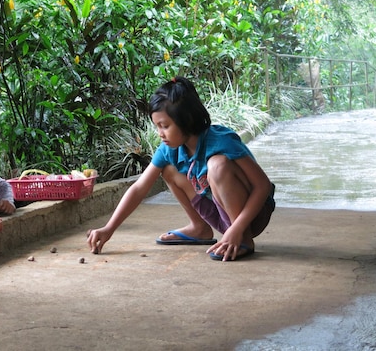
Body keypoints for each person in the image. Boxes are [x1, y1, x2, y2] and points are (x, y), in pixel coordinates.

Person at [87, 76, 275, 261]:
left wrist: (236, 229)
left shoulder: (222, 141)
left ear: (187, 120)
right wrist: (108, 228)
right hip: (222, 215)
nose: (160, 134)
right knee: (168, 169)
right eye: (157, 127)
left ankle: (244, 240)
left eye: (165, 126)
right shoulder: (169, 149)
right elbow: (139, 188)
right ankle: (199, 227)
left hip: (252, 216)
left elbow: (263, 186)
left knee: (217, 165)